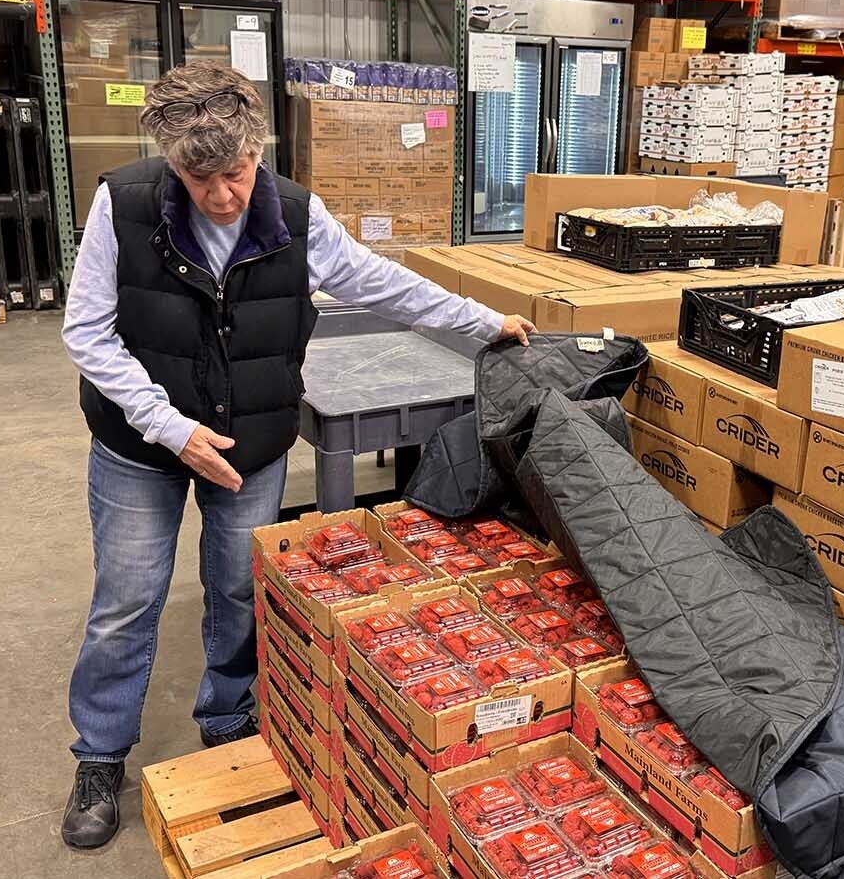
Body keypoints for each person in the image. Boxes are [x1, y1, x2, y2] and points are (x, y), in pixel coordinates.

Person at [58, 62, 534, 849]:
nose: (223, 196)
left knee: (239, 587)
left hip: (251, 441)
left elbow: (381, 282)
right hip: (138, 444)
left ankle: (228, 717)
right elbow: (87, 332)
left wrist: (484, 321)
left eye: (237, 173)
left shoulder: (298, 216)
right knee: (127, 602)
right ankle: (100, 754)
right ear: (172, 163)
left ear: (259, 150)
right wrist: (169, 427)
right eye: (200, 179)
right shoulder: (125, 203)